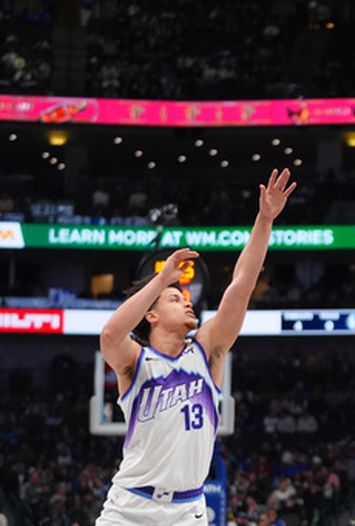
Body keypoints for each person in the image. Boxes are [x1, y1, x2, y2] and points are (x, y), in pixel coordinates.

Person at [96, 168, 296, 525]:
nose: (187, 301)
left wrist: (264, 220)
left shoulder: (207, 351)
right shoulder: (136, 361)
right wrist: (160, 281)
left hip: (188, 510)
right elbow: (110, 335)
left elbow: (241, 285)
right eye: (175, 299)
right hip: (129, 508)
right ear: (152, 316)